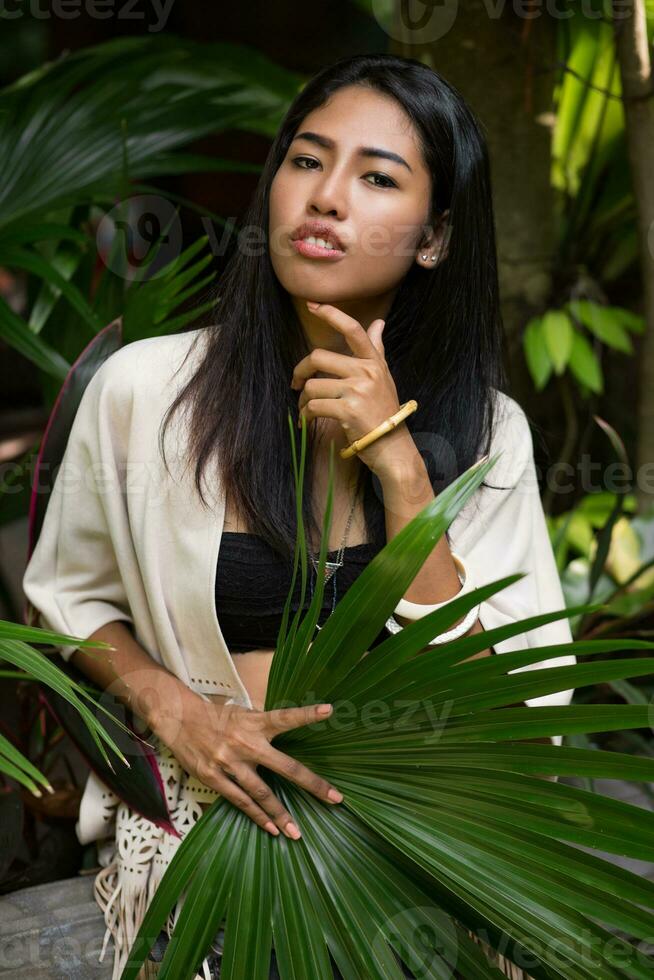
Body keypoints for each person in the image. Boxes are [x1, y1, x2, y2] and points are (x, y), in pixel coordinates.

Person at [22, 53, 576, 980]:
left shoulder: (489, 435)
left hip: (417, 852)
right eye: (307, 161)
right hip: (211, 835)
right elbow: (66, 601)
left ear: (435, 238)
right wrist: (178, 710)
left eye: (376, 177)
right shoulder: (145, 393)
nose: (326, 198)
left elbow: (509, 717)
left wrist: (401, 471)